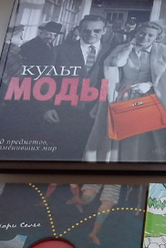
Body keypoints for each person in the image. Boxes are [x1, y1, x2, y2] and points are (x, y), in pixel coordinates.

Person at [84, 21, 166, 163]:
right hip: (123, 95)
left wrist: (149, 85)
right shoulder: (122, 48)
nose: (145, 37)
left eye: (150, 35)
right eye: (142, 33)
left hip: (151, 97)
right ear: (136, 33)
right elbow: (115, 64)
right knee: (121, 135)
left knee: (144, 137)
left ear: (157, 38)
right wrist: (129, 47)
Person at [42, 15, 112, 161]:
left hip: (98, 112)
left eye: (97, 31)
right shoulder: (60, 50)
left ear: (104, 31)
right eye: (86, 31)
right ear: (79, 30)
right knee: (62, 154)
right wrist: (47, 107)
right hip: (64, 112)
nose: (91, 34)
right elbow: (45, 81)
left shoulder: (112, 51)